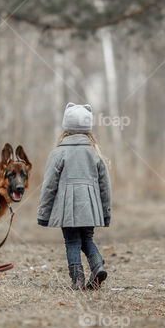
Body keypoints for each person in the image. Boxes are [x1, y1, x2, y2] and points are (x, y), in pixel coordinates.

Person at [37, 103, 112, 290]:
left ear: (66, 127)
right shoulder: (95, 152)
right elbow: (105, 186)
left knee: (72, 241)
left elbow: (48, 185)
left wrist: (43, 213)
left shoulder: (58, 152)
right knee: (87, 239)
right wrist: (106, 212)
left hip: (67, 208)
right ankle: (98, 266)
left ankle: (77, 279)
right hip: (90, 207)